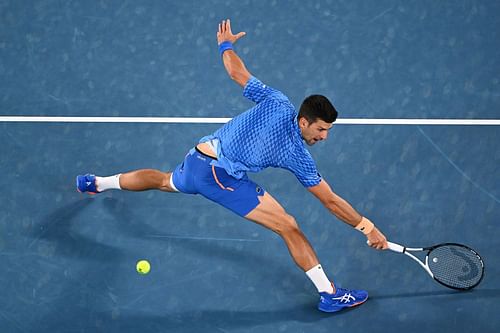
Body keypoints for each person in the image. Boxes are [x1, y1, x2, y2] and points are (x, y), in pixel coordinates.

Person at [77, 19, 388, 313]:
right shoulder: (297, 155)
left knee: (165, 181)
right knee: (288, 225)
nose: (323, 137)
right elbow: (329, 200)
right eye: (320, 130)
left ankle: (97, 182)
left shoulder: (278, 102)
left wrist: (225, 46)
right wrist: (367, 227)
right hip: (218, 175)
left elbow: (237, 73)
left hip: (199, 155)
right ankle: (329, 294)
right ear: (304, 121)